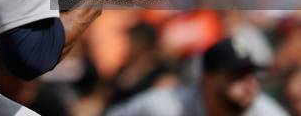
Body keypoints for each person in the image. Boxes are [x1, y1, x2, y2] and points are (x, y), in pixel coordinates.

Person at [106, 38, 288, 116]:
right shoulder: (166, 106)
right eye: (237, 75)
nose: (250, 84)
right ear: (207, 79)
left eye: (251, 75)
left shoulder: (264, 111)